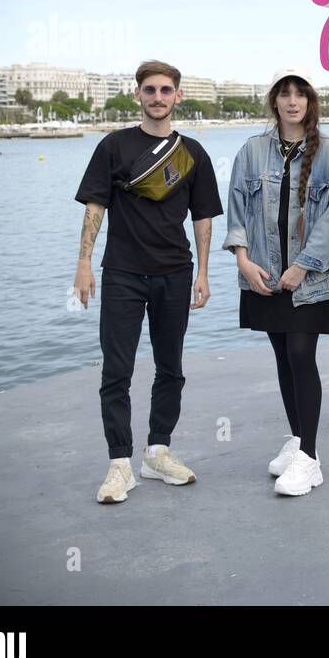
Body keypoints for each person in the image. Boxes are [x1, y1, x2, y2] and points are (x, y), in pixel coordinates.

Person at [74, 60, 224, 504]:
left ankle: (157, 451)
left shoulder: (192, 152)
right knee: (115, 371)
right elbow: (95, 207)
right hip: (121, 272)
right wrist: (83, 262)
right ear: (137, 94)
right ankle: (119, 465)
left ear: (178, 96)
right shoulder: (113, 147)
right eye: (150, 90)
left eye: (165, 90)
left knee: (170, 369)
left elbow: (203, 216)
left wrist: (203, 271)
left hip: (175, 273)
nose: (158, 97)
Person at [223, 68, 329, 496]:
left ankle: (310, 459)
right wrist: (243, 260)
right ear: (274, 101)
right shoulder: (252, 150)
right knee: (281, 355)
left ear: (311, 102)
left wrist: (304, 266)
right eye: (285, 94)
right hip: (263, 274)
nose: (293, 101)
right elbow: (237, 208)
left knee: (301, 353)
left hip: (307, 280)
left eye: (301, 94)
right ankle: (297, 441)